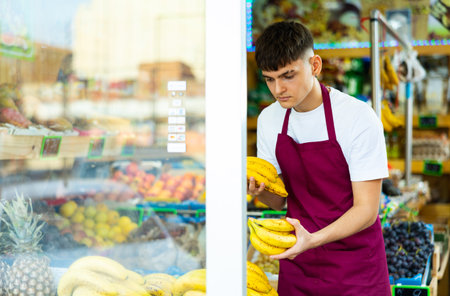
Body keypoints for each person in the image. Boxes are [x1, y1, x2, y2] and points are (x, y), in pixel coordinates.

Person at [247, 21, 391, 295]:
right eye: (269, 78)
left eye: (288, 75)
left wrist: (313, 239)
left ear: (315, 65)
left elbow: (367, 210)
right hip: (298, 266)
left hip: (356, 269)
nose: (278, 89)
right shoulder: (269, 119)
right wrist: (257, 191)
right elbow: (279, 201)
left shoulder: (357, 117)